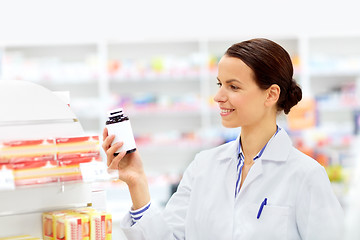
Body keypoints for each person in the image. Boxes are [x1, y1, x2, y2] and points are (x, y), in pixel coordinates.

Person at [102, 38, 344, 239]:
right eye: (220, 84)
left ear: (271, 94)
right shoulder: (203, 167)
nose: (218, 96)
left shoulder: (305, 175)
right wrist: (137, 183)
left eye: (233, 87)